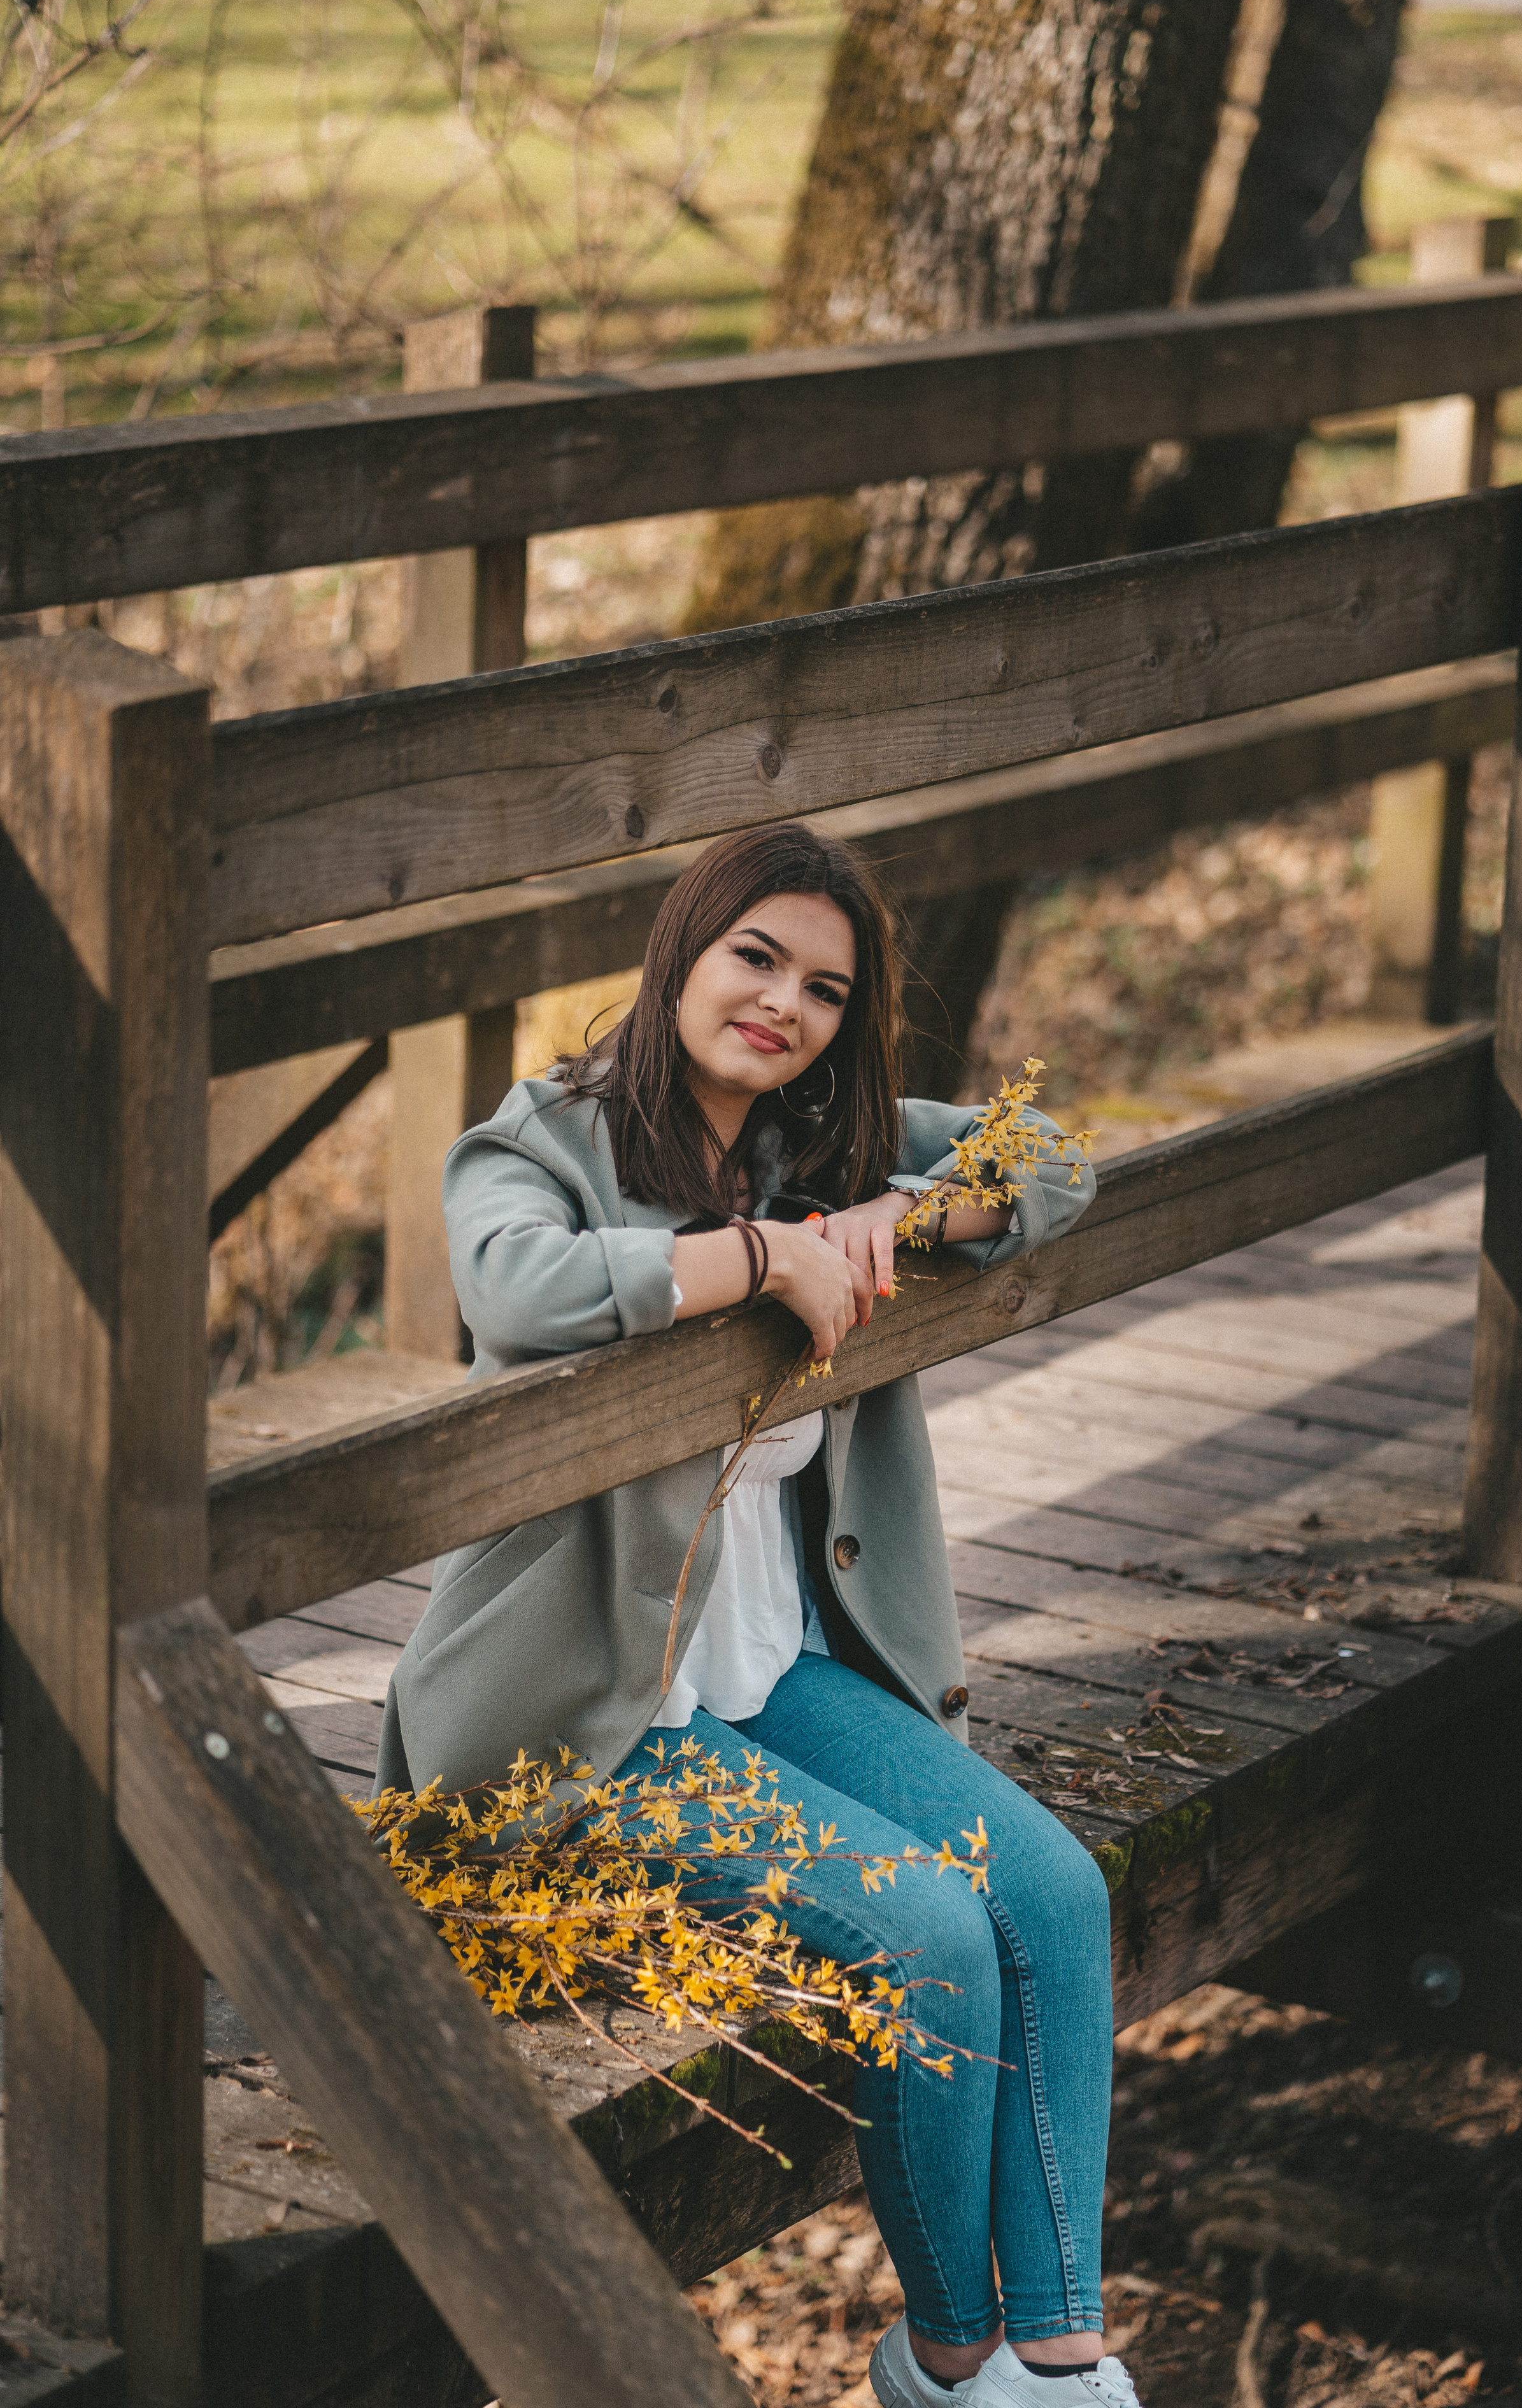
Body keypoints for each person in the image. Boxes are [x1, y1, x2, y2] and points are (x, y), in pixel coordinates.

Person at [373, 822, 1137, 2408]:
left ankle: (1056, 2367)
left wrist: (901, 1222)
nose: (783, 1003)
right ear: (681, 956)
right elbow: (516, 1290)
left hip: (771, 1670)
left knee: (1049, 1898)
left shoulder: (820, 1143)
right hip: (583, 1720)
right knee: (927, 1941)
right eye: (753, 958)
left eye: (824, 987)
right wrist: (755, 1260)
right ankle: (946, 2360)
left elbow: (1053, 1155)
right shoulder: (542, 1142)